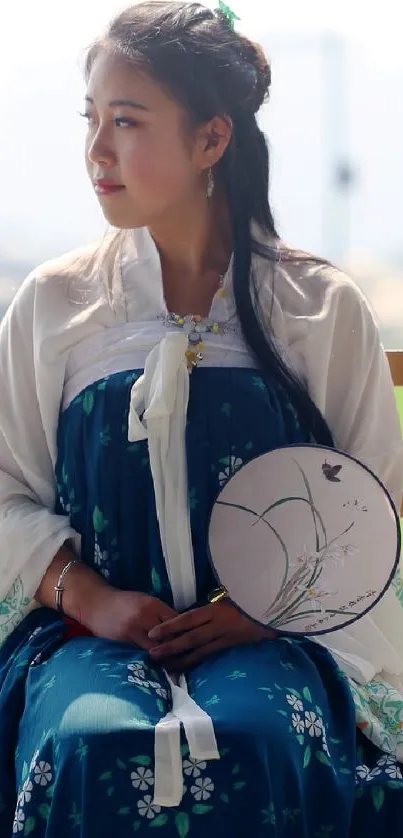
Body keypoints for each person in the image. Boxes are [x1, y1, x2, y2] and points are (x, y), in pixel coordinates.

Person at [0, 2, 403, 835]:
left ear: (211, 140)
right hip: (86, 637)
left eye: (127, 122)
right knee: (94, 742)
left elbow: (375, 512)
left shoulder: (315, 306)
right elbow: (5, 491)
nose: (96, 152)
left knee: (253, 738)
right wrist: (96, 599)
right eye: (92, 121)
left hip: (283, 640)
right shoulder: (57, 304)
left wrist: (263, 612)